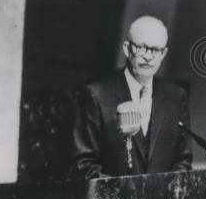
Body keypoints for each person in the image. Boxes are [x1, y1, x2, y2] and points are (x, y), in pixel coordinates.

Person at [71, 15, 192, 178]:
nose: (148, 57)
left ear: (163, 54)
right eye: (141, 47)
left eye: (156, 50)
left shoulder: (176, 97)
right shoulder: (96, 95)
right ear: (127, 48)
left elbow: (183, 161)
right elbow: (83, 165)